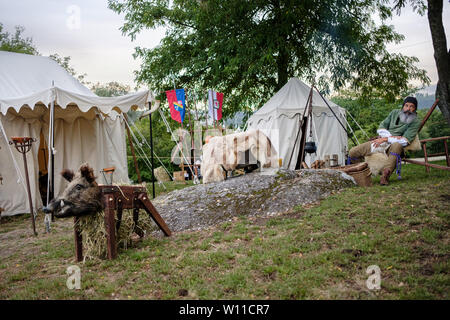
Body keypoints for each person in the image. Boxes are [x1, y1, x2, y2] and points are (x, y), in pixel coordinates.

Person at [348, 96, 421, 185]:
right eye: (406, 105)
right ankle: (361, 176)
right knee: (353, 152)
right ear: (403, 106)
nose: (408, 109)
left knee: (398, 144)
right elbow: (381, 127)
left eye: (411, 106)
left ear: (415, 109)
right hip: (381, 141)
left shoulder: (416, 121)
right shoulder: (394, 112)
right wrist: (389, 137)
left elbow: (405, 140)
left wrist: (386, 138)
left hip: (393, 146)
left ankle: (385, 176)